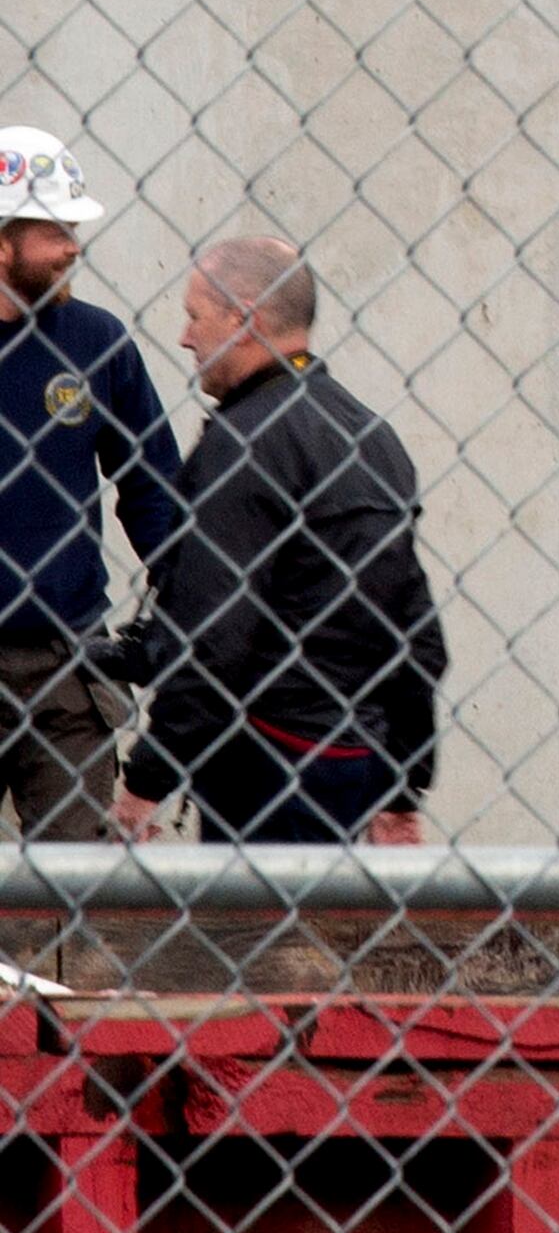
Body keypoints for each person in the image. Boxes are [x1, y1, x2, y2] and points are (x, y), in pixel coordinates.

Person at [113, 238, 442, 849]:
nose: (185, 337)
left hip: (264, 763)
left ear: (242, 319)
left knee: (254, 941)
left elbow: (214, 641)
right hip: (354, 761)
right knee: (329, 942)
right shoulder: (372, 436)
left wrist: (145, 783)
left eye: (195, 315)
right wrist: (402, 785)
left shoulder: (244, 446)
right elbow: (416, 633)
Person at [0, 128, 181, 843]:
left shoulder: (98, 343)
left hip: (68, 667)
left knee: (75, 900)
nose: (73, 245)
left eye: (73, 227)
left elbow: (152, 484)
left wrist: (184, 589)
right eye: (55, 229)